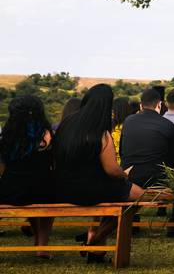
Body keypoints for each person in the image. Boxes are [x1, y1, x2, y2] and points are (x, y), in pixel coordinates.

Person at [53, 84, 143, 259]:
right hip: (92, 189)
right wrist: (124, 174)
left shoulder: (66, 125)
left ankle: (96, 244)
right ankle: (97, 238)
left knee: (119, 196)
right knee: (138, 195)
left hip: (63, 188)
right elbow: (111, 170)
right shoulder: (100, 132)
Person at [0, 95, 55, 258]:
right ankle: (42, 246)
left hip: (10, 191)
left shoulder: (7, 135)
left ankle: (38, 239)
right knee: (47, 202)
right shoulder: (46, 133)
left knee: (30, 196)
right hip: (42, 190)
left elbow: (1, 169)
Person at [120, 88, 174, 188]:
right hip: (157, 182)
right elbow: (172, 160)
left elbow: (122, 151)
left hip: (129, 180)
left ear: (141, 105)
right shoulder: (168, 125)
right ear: (159, 105)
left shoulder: (128, 121)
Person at [110, 98, 134, 162]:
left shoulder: (126, 128)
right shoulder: (111, 125)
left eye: (113, 110)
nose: (111, 112)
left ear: (120, 111)